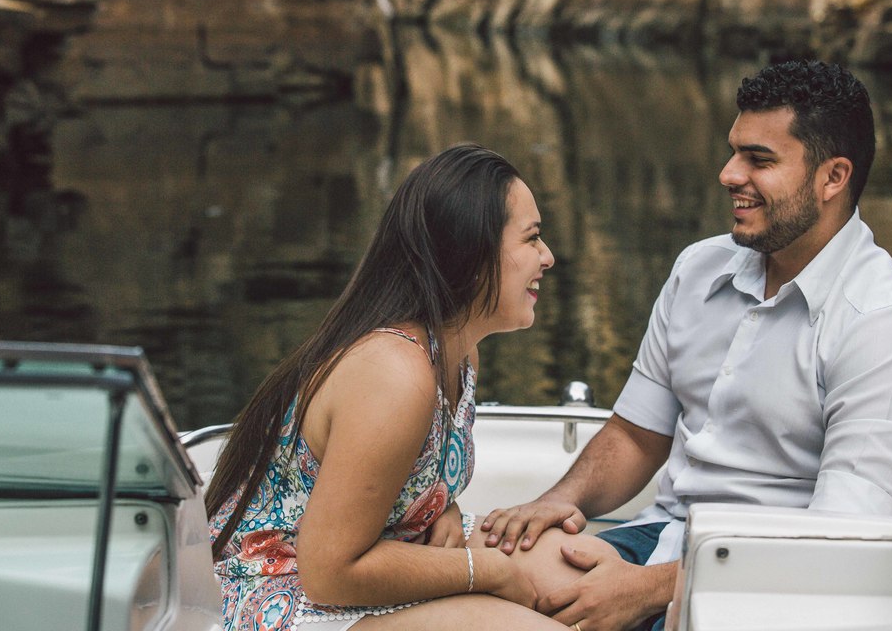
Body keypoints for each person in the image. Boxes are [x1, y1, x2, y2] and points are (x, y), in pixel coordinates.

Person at [481, 60, 892, 631]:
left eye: (760, 160)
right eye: (734, 152)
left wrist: (643, 593)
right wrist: (560, 501)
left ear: (833, 178)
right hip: (666, 541)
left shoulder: (886, 325)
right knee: (492, 576)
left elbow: (838, 545)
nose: (729, 174)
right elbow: (635, 433)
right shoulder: (699, 268)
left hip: (776, 594)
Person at [205, 143, 598, 630]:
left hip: (384, 549)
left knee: (583, 566)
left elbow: (407, 477)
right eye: (532, 239)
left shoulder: (457, 352)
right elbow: (328, 571)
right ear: (472, 256)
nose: (548, 257)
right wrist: (487, 572)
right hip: (275, 591)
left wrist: (444, 507)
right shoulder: (393, 374)